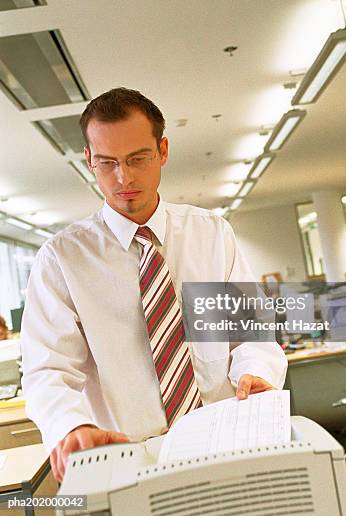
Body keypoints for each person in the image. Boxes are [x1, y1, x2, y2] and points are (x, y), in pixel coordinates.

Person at [21, 87, 287, 482]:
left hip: (225, 441)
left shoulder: (210, 234)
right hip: (130, 460)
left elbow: (249, 335)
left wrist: (257, 372)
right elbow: (47, 369)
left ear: (163, 151)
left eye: (137, 159)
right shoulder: (62, 259)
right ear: (89, 160)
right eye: (107, 162)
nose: (123, 177)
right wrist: (70, 427)